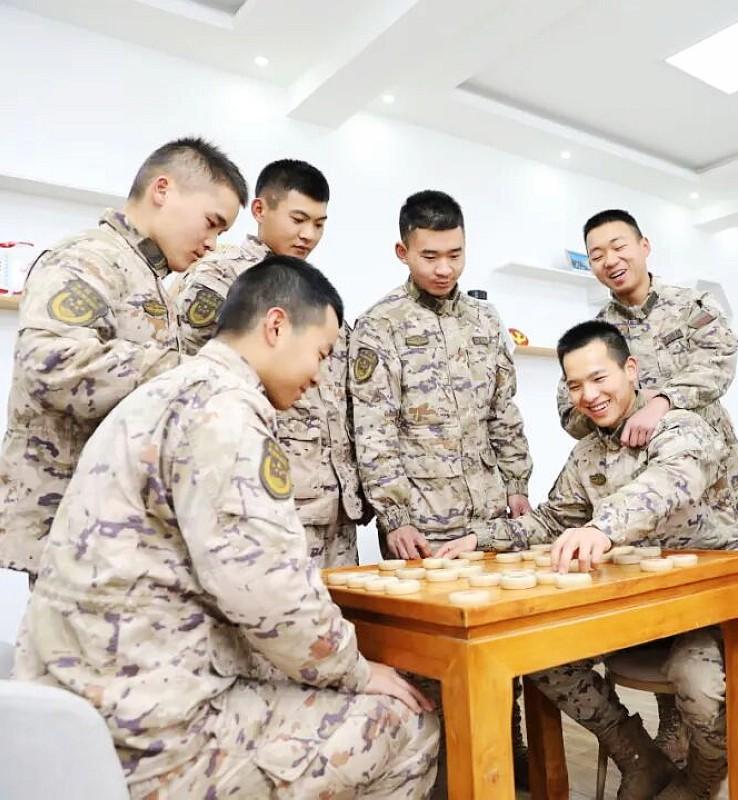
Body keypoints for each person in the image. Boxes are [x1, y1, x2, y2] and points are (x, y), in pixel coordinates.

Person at [14, 256, 438, 798]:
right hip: (154, 738)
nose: (319, 376)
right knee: (410, 720)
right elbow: (270, 594)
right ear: (277, 326)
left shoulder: (165, 391)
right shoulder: (227, 414)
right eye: (321, 353)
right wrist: (356, 670)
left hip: (81, 714)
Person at [438, 320, 738, 800]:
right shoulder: (587, 454)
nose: (590, 395)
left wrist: (602, 528)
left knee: (697, 682)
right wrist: (481, 539)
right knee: (539, 654)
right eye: (576, 385)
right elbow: (552, 520)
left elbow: (669, 484)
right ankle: (638, 757)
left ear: (631, 370)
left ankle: (701, 780)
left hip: (701, 610)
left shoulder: (682, 427)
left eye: (600, 378)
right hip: (628, 609)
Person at [563, 209, 738, 773]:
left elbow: (721, 362)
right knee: (666, 597)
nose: (610, 261)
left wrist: (660, 402)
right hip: (640, 483)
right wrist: (612, 404)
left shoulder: (689, 306)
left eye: (618, 246)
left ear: (644, 246)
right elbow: (571, 413)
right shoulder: (597, 334)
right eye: (597, 254)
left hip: (712, 471)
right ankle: (676, 720)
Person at [348, 189, 534, 786]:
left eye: (455, 254)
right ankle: (441, 778)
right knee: (430, 663)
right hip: (421, 525)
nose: (444, 268)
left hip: (488, 516)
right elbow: (372, 429)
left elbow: (504, 412)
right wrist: (394, 516)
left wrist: (517, 484)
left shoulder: (485, 321)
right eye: (430, 255)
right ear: (402, 251)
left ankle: (503, 757)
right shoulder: (380, 325)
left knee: (501, 646)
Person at [0, 137, 246, 579]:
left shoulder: (147, 276)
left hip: (117, 523)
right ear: (162, 190)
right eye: (212, 223)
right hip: (79, 527)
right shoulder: (89, 258)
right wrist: (195, 372)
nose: (211, 243)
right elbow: (50, 364)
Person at [175, 158, 366, 566]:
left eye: (319, 224)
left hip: (333, 506)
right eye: (298, 219)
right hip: (267, 496)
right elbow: (193, 378)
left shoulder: (313, 293)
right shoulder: (219, 277)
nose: (308, 234)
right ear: (260, 210)